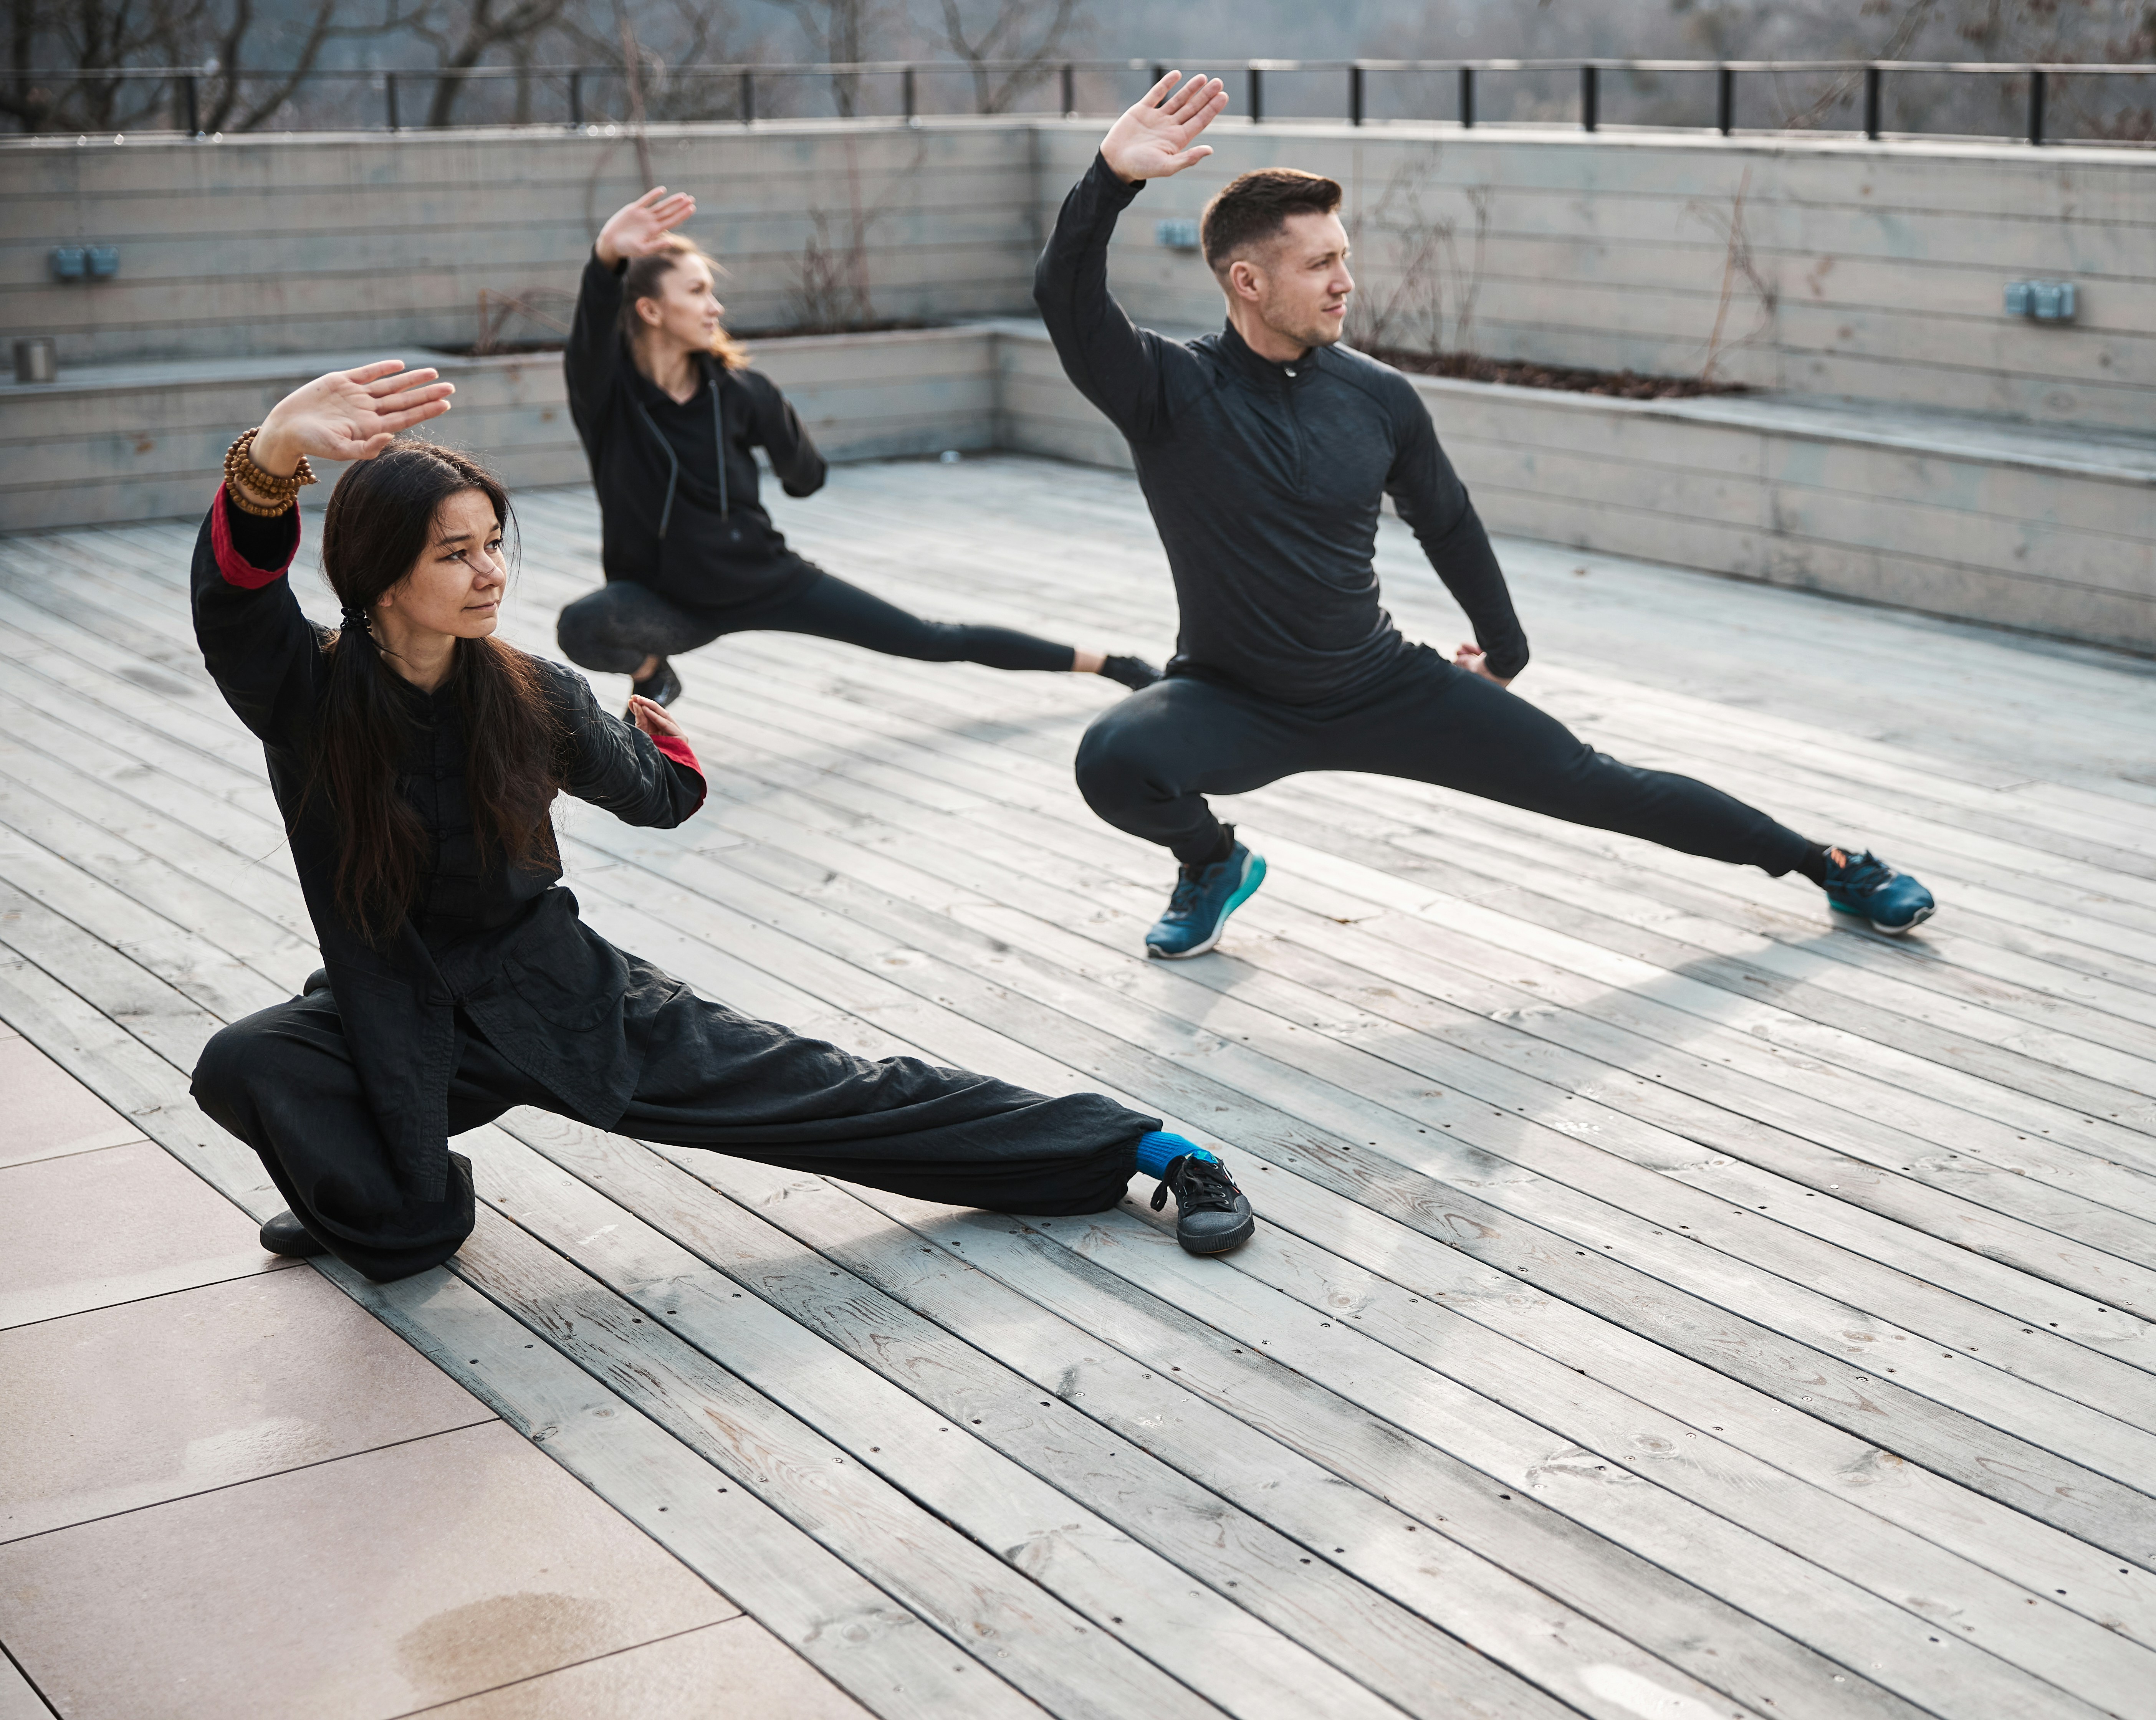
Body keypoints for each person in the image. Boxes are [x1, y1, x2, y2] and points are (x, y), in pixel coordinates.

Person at [185, 363, 1255, 1282]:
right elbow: (236, 597)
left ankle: (1149, 1148)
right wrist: (276, 450)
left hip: (560, 999)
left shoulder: (535, 694)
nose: (490, 572)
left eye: (492, 544)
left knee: (832, 1093)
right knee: (253, 1063)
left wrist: (669, 750)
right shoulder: (308, 696)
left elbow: (659, 800)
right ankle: (393, 1208)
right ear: (379, 574)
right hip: (395, 1014)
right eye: (454, 553)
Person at [1036, 74, 1937, 961]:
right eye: (1320, 264)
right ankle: (1213, 863)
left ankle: (1826, 862)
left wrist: (1504, 650)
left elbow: (1449, 522)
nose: (1347, 282)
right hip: (1231, 698)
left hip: (1382, 684)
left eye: (1345, 256)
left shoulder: (1378, 397)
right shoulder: (1166, 390)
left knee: (1599, 783)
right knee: (1113, 758)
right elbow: (1065, 300)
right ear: (1248, 280)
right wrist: (1111, 179)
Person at [555, 187, 1160, 711]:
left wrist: (777, 418)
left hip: (764, 580)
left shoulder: (742, 393)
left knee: (932, 639)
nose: (716, 306)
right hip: (666, 601)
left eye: (713, 291)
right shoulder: (612, 402)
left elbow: (805, 479)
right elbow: (589, 340)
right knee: (582, 627)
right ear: (651, 309)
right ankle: (654, 676)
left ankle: (1114, 663)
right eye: (697, 291)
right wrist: (608, 257)